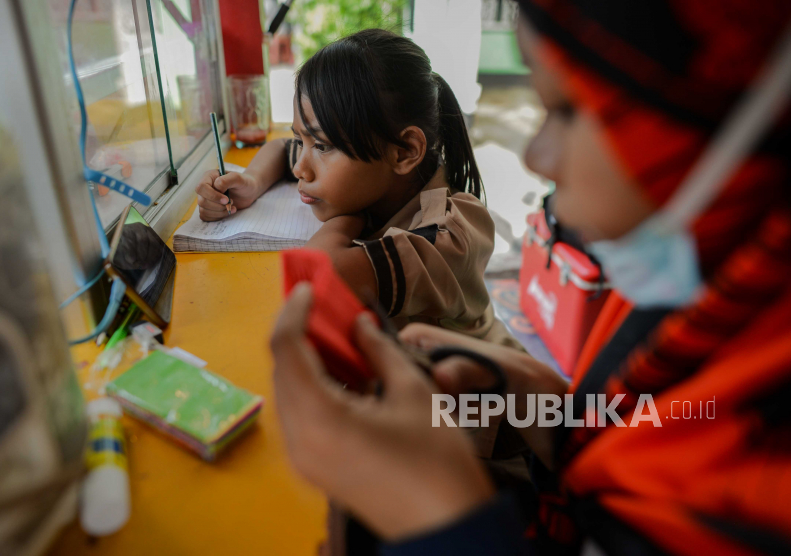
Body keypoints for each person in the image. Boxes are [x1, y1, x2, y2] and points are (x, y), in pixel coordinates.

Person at [270, 0, 791, 554]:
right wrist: (543, 400)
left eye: (566, 111)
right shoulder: (696, 293)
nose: (536, 155)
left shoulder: (452, 223)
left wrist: (442, 522)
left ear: (698, 119)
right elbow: (648, 422)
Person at [196, 29, 518, 350]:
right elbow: (282, 150)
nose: (300, 168)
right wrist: (251, 183)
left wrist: (350, 216)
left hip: (482, 396)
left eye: (320, 145)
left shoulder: (450, 234)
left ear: (404, 151)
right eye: (301, 140)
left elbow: (319, 274)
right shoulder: (374, 171)